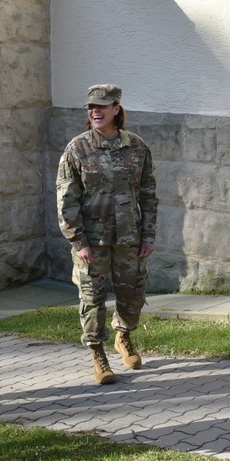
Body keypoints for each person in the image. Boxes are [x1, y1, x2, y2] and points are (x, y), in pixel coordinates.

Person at [56, 84, 158, 384]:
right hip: (92, 242)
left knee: (133, 295)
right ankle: (98, 354)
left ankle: (123, 335)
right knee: (92, 299)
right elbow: (66, 200)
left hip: (130, 238)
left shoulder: (137, 147)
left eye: (102, 106)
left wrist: (148, 235)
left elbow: (149, 194)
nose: (95, 111)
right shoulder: (78, 149)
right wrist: (78, 241)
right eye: (91, 107)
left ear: (117, 109)